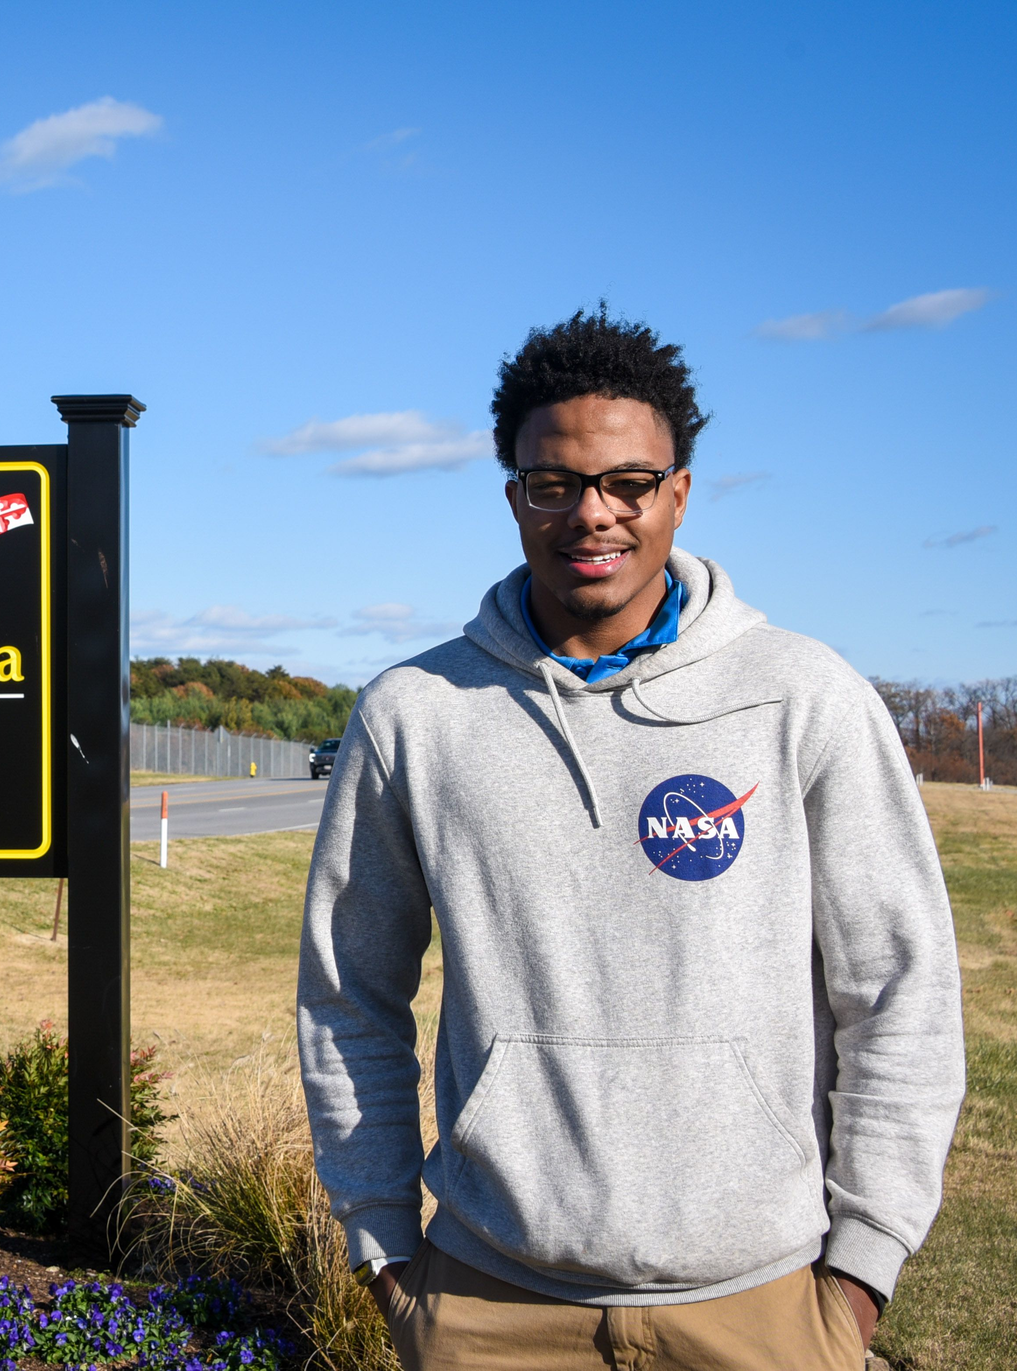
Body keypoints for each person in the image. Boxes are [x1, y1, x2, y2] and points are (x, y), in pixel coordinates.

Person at [296, 308, 965, 1370]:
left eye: (628, 483)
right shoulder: (414, 713)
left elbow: (899, 988)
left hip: (765, 1306)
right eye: (553, 483)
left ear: (680, 493)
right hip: (488, 1305)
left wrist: (861, 1270)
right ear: (514, 494)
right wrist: (384, 1246)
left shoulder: (802, 695)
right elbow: (348, 993)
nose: (591, 515)